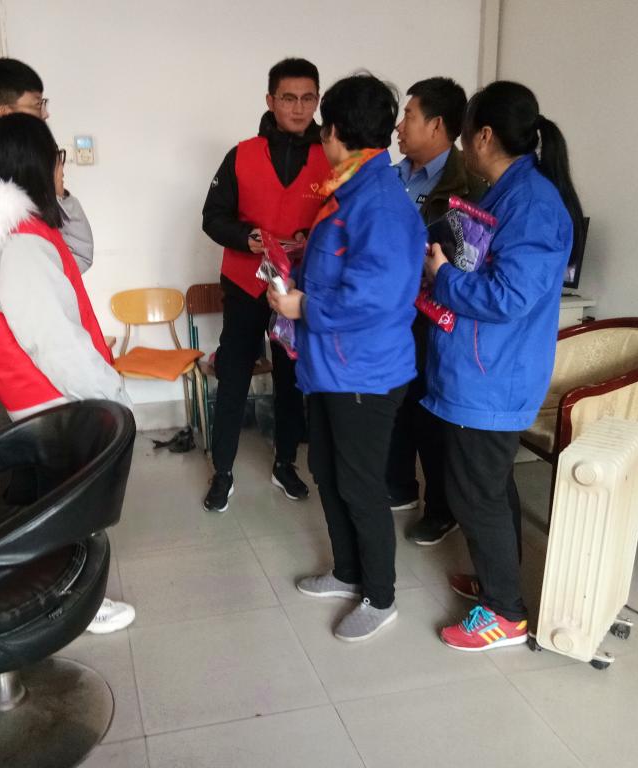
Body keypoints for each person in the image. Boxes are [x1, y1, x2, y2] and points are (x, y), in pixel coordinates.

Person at [0, 114, 135, 635]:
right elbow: (53, 340)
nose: (62, 169)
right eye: (57, 159)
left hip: (32, 395)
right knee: (64, 508)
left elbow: (78, 256)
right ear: (35, 164)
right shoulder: (22, 244)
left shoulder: (6, 232)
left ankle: (50, 592)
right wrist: (113, 397)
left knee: (42, 501)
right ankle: (68, 599)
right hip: (54, 396)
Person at [420, 81, 582, 652]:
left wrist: (443, 276)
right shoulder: (503, 194)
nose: (462, 146)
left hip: (491, 377)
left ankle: (504, 614)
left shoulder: (532, 205)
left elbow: (508, 296)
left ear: (484, 136)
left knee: (475, 495)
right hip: (478, 368)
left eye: (464, 135)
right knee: (489, 487)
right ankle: (499, 582)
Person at [269, 74, 425, 642]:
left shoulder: (379, 202)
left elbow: (374, 296)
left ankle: (380, 598)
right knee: (328, 473)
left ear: (333, 131)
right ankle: (347, 571)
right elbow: (343, 267)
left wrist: (303, 304)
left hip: (364, 371)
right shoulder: (352, 189)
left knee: (360, 486)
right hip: (333, 365)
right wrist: (296, 264)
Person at [200, 57, 332, 513]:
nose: (299, 108)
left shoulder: (330, 158)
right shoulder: (241, 154)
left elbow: (341, 219)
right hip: (244, 282)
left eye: (308, 98)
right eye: (289, 98)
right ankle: (222, 471)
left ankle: (285, 463)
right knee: (234, 373)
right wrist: (246, 237)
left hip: (297, 287)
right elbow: (212, 217)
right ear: (271, 100)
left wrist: (311, 238)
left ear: (317, 100)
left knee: (290, 378)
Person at [387, 77, 487, 548]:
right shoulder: (393, 177)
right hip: (392, 311)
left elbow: (475, 256)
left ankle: (442, 509)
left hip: (437, 314)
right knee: (397, 399)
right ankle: (400, 485)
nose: (399, 126)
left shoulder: (469, 186)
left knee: (431, 409)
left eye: (409, 116)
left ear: (437, 125)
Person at [0, 58, 94, 356]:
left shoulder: (24, 167)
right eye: (37, 104)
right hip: (0, 315)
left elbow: (72, 252)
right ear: (5, 113)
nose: (45, 113)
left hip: (36, 305)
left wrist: (59, 193)